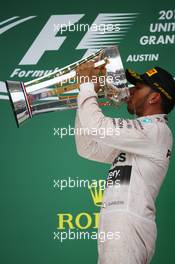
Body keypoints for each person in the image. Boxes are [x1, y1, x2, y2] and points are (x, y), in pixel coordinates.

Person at [74, 63, 175, 264]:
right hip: (117, 227)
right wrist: (83, 99)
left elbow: (97, 127)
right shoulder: (140, 136)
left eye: (137, 88)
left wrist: (87, 89)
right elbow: (88, 147)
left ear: (154, 97)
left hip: (128, 229)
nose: (129, 91)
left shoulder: (155, 131)